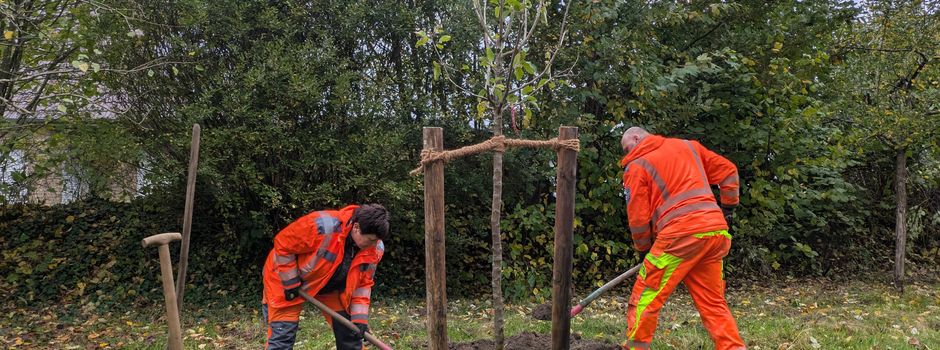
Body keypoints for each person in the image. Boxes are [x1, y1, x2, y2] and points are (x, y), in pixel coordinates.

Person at [619, 127, 745, 350]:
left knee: (646, 294)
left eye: (626, 148)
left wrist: (643, 249)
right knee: (713, 302)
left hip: (679, 237)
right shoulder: (688, 146)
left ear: (636, 138)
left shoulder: (637, 165)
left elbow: (638, 217)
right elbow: (729, 172)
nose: (626, 154)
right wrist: (728, 208)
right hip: (714, 232)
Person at [261, 204, 389, 350]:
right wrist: (290, 281)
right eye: (371, 239)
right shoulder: (321, 226)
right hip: (283, 277)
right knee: (283, 334)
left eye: (377, 241)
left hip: (329, 286)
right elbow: (283, 243)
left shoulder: (375, 249)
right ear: (356, 227)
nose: (374, 244)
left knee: (350, 332)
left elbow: (363, 285)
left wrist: (360, 319)